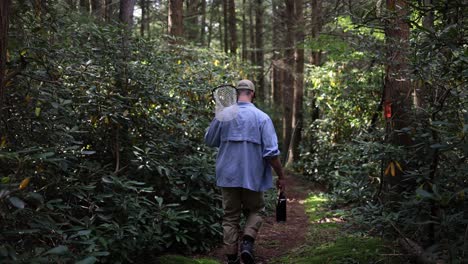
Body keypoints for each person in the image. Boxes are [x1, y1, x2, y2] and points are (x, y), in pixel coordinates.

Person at [204, 79, 286, 264]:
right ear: (253, 94)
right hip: (253, 176)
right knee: (256, 210)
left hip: (227, 175)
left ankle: (231, 257)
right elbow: (272, 153)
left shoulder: (224, 115)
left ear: (236, 93)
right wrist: (281, 176)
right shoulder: (262, 117)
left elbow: (209, 140)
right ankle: (247, 244)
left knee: (230, 216)